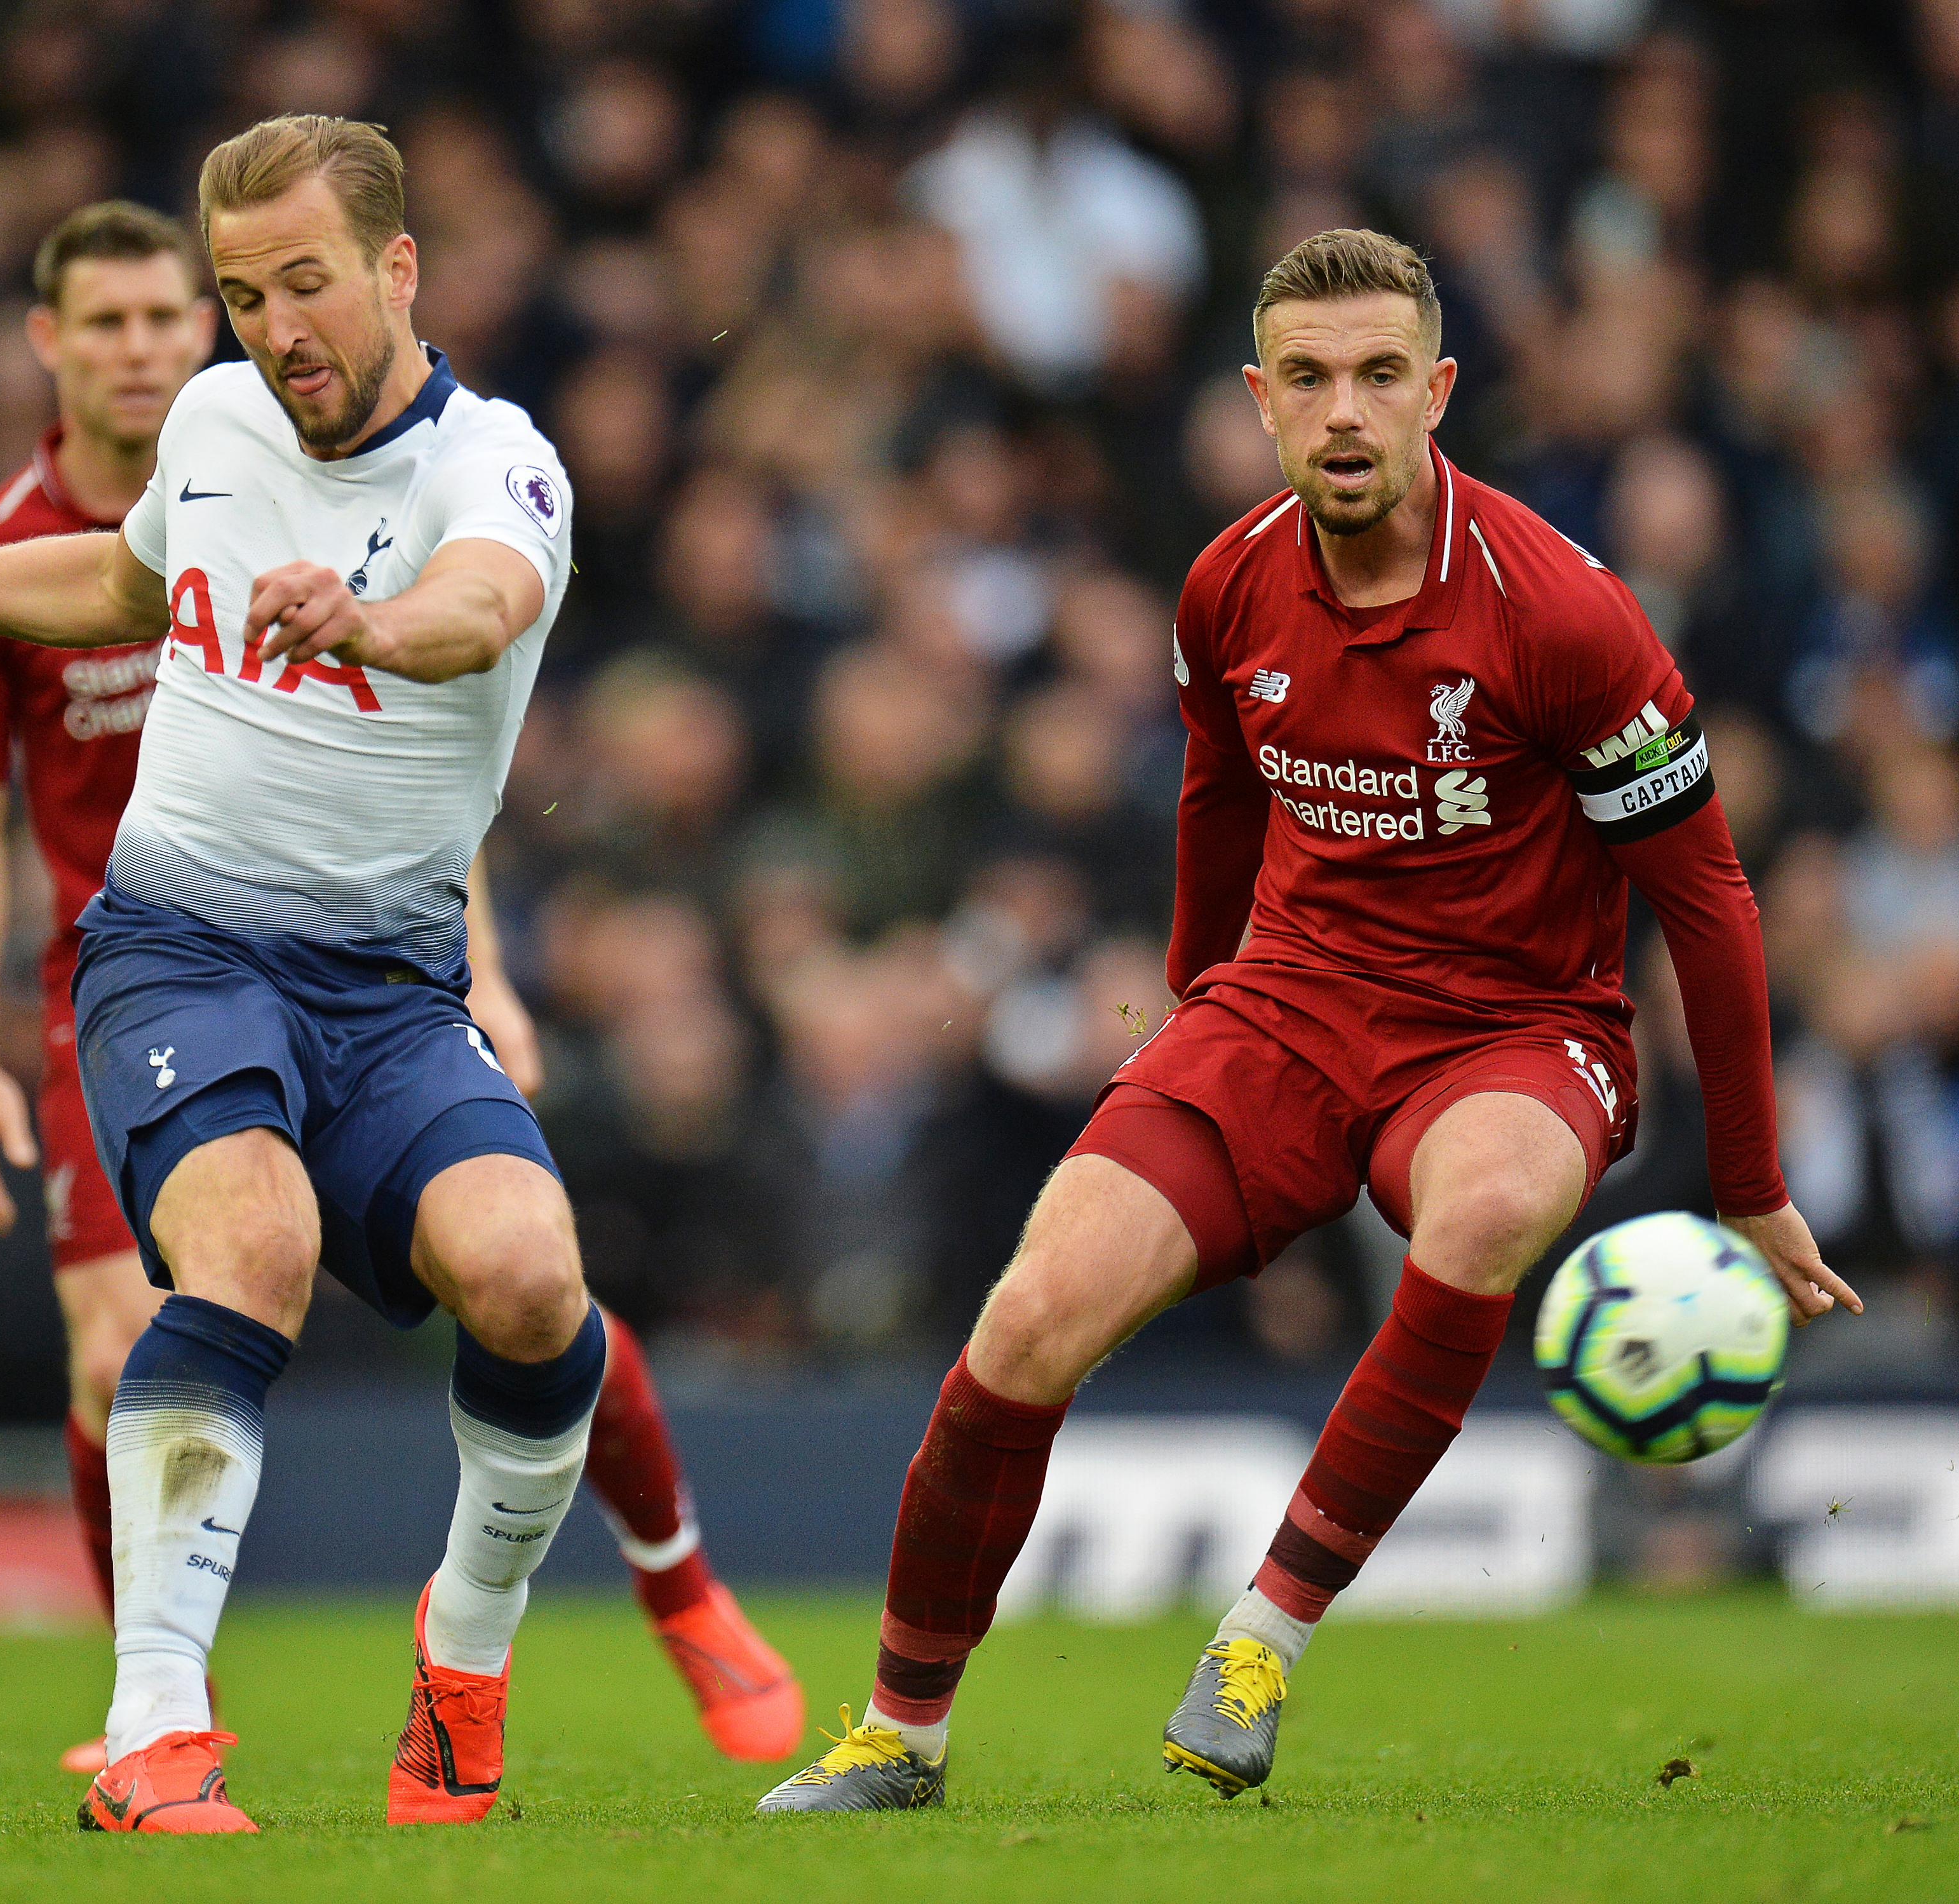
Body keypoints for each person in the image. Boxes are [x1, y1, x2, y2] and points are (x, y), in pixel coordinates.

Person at [0, 116, 784, 1835]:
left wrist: (370, 623)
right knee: (252, 1245)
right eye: (242, 294)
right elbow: (118, 579)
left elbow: (475, 607)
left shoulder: (499, 462)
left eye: (305, 283)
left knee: (531, 1279)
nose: (273, 329)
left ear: (397, 267)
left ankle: (462, 1664)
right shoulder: (217, 422)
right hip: (178, 944)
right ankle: (155, 1728)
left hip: (394, 983)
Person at [757, 229, 1859, 1815]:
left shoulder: (1562, 613)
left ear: (1438, 391)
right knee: (1028, 1317)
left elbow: (1709, 897)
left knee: (1482, 1206)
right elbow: (1216, 797)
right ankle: (897, 1734)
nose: (1345, 410)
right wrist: (1190, 1003)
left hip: (1513, 1028)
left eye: (1380, 375)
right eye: (1310, 378)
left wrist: (1748, 1181)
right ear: (1260, 399)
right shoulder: (1225, 583)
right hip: (1283, 1005)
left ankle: (1260, 1635)